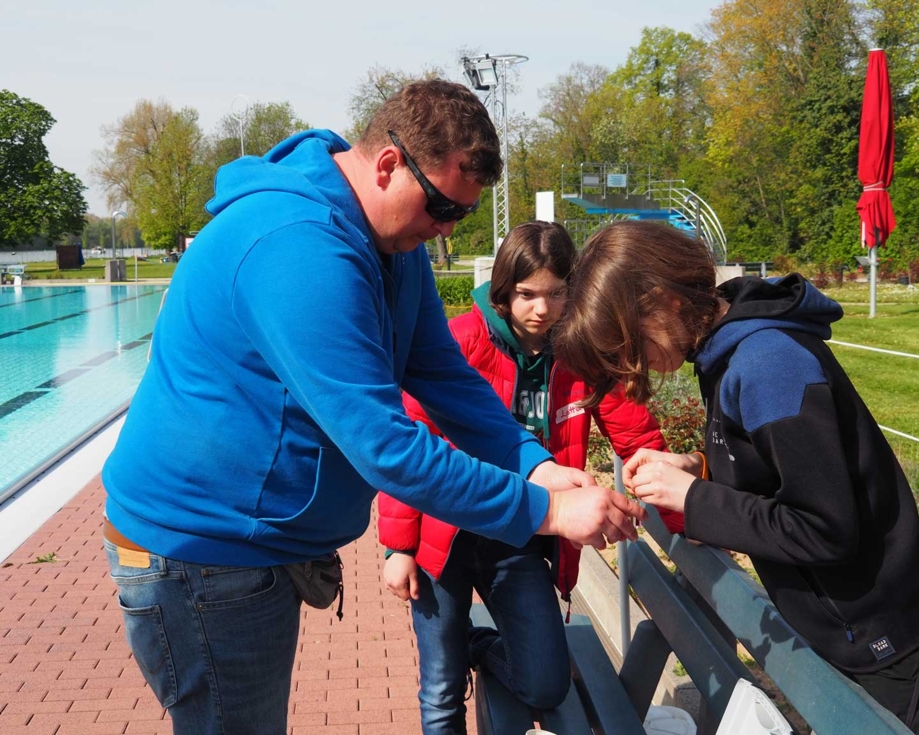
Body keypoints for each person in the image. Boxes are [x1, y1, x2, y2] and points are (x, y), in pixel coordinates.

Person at [100, 80, 646, 735]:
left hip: (249, 550)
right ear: (388, 164)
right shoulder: (299, 245)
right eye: (441, 204)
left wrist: (532, 463)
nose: (444, 228)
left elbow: (444, 374)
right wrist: (551, 510)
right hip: (199, 554)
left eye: (461, 216)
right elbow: (387, 447)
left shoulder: (391, 242)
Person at [554, 220, 919, 735]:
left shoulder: (770, 362)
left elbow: (824, 526)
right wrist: (699, 467)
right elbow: (776, 472)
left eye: (627, 344)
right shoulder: (725, 351)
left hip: (897, 641)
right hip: (852, 633)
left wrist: (697, 499)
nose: (632, 363)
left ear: (662, 299)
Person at [378, 222, 684, 733]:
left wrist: (682, 516)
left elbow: (638, 436)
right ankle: (459, 652)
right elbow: (408, 444)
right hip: (443, 536)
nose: (542, 309)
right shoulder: (461, 341)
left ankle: (480, 646)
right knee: (440, 688)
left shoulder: (580, 351)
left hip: (523, 531)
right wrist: (398, 547)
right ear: (504, 290)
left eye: (557, 293)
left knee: (545, 682)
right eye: (526, 294)